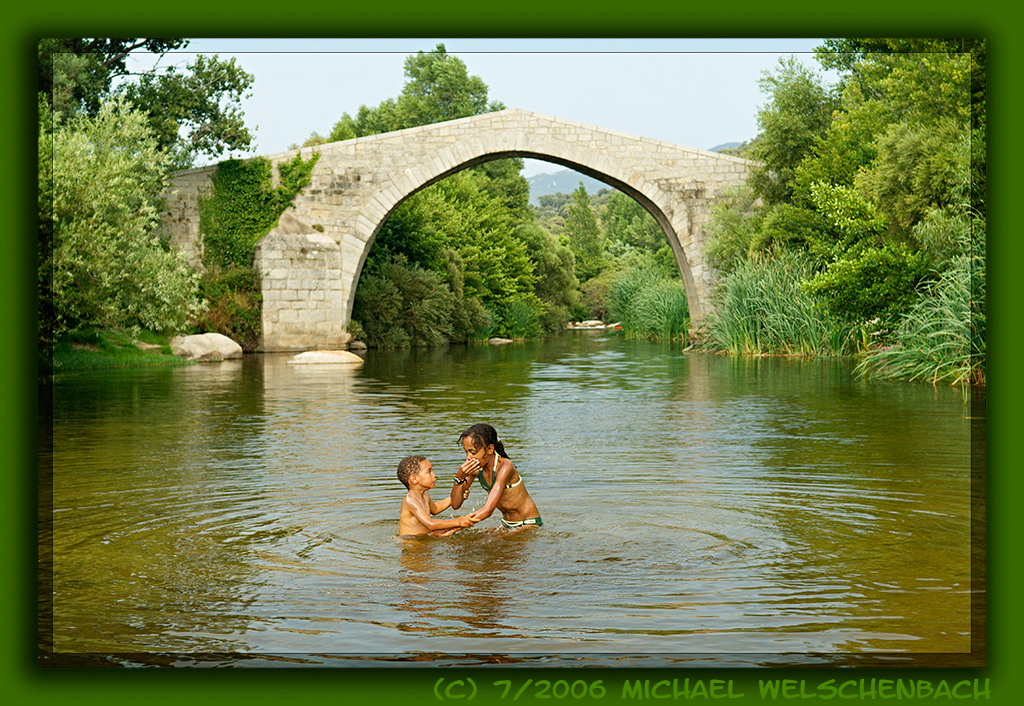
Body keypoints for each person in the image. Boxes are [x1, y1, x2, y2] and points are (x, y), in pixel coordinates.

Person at [449, 423, 543, 530]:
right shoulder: (475, 470)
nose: (468, 458)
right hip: (507, 524)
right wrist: (459, 478)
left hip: (528, 523)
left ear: (490, 449)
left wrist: (454, 527)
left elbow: (488, 510)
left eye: (473, 452)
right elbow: (455, 504)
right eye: (466, 452)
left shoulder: (505, 467)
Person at [398, 455, 479, 537]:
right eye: (429, 472)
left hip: (421, 538)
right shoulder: (410, 501)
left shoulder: (424, 495)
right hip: (410, 543)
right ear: (414, 479)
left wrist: (453, 498)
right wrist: (459, 522)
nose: (434, 475)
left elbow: (435, 509)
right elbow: (431, 524)